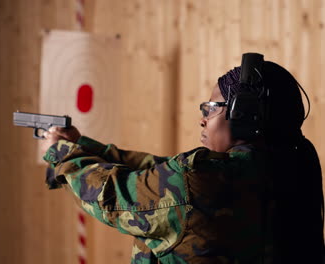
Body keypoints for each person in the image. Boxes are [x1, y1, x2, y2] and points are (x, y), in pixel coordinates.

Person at [40, 54, 324, 264]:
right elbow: (161, 171)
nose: (203, 120)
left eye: (211, 108)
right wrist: (82, 144)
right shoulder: (294, 164)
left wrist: (60, 152)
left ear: (244, 116)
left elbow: (110, 195)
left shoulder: (198, 180)